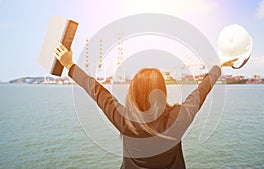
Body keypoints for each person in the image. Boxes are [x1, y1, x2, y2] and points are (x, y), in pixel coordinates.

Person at [55, 43, 237, 169]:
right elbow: (202, 90)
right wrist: (219, 65)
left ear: (133, 92)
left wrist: (69, 65)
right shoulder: (178, 118)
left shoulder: (125, 120)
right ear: (162, 92)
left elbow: (97, 91)